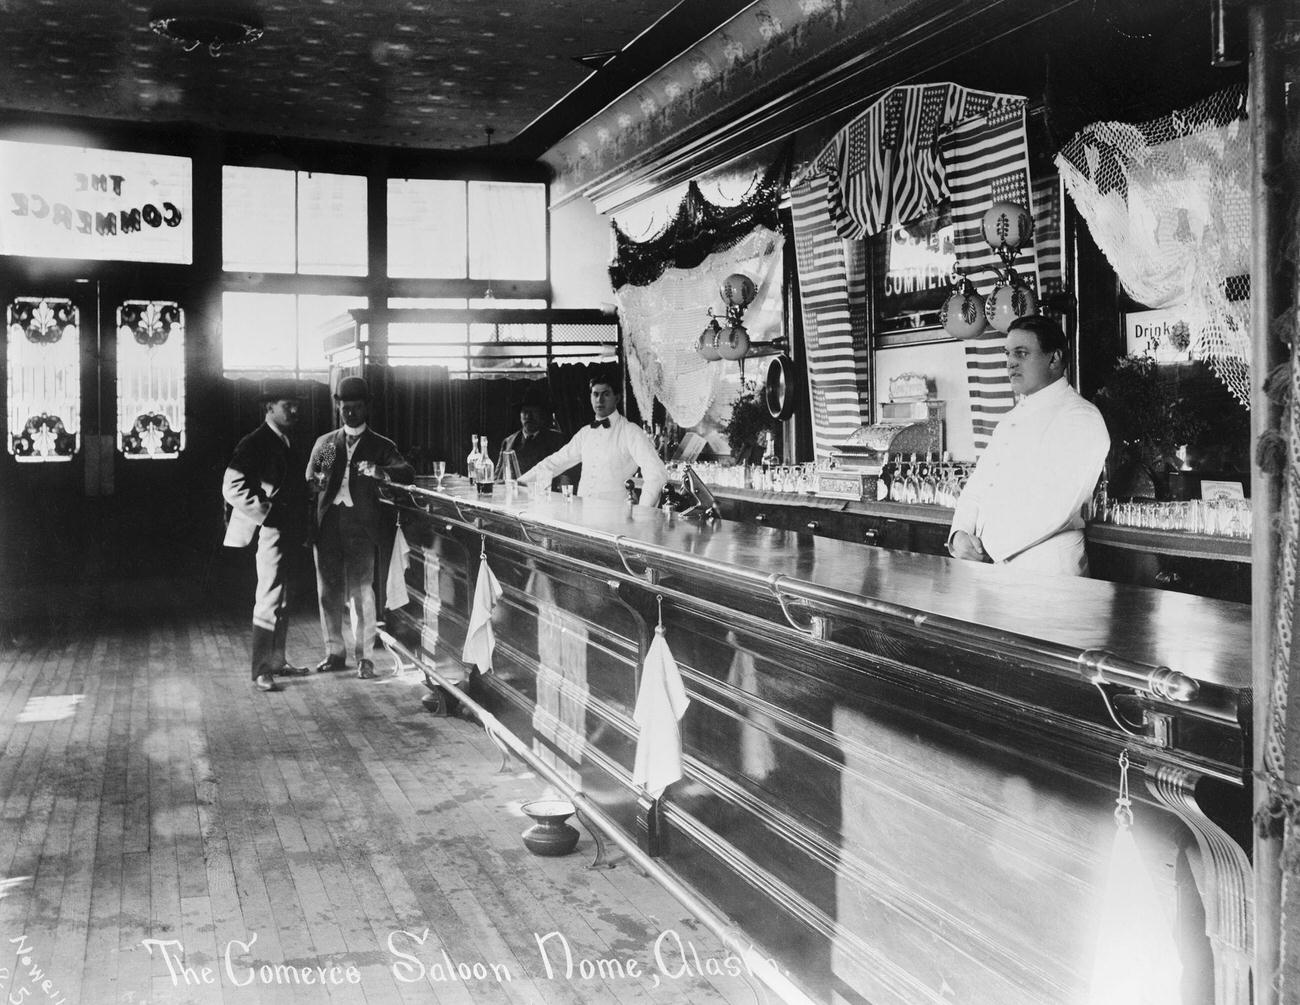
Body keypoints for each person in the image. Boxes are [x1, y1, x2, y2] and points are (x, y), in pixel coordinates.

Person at [947, 314, 1110, 577]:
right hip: (994, 570)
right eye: (1008, 354)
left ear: (1054, 359)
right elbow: (978, 486)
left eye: (1021, 353)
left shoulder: (1081, 417)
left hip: (1047, 574)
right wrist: (959, 535)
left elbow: (1057, 507)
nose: (1011, 363)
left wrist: (988, 549)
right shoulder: (1010, 420)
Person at [306, 376, 415, 679]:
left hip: (362, 527)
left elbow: (406, 472)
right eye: (345, 408)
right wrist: (317, 481)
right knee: (328, 592)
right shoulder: (328, 444)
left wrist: (382, 471)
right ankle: (334, 652)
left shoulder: (380, 446)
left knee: (361, 592)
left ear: (366, 407)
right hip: (327, 525)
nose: (350, 413)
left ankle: (364, 657)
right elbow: (314, 478)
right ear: (338, 407)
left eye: (356, 407)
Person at [221, 379, 311, 693]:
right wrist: (267, 514)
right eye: (288, 405)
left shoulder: (292, 440)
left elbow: (304, 480)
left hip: (294, 529)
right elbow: (232, 487)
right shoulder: (254, 442)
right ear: (269, 407)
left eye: (297, 404)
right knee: (269, 598)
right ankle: (261, 669)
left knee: (285, 598)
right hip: (272, 530)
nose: (295, 409)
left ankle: (278, 660)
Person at [518, 367, 669, 507]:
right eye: (595, 394)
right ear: (590, 397)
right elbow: (554, 463)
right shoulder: (585, 433)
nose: (599, 400)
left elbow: (657, 474)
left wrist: (643, 513)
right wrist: (518, 483)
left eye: (606, 394)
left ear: (617, 398)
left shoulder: (630, 432)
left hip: (616, 517)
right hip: (584, 513)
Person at [495, 383, 576, 491]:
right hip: (514, 497)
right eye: (525, 412)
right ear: (520, 415)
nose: (528, 416)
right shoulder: (508, 442)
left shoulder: (556, 440)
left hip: (545, 499)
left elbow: (565, 479)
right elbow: (498, 478)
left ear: (543, 415)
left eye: (534, 412)